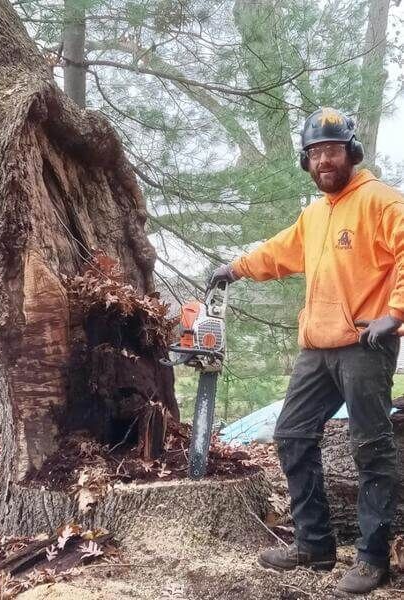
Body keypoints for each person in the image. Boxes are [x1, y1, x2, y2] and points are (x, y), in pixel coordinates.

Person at [208, 107, 404, 595]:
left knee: (371, 447)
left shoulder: (382, 202)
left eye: (333, 151)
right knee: (292, 433)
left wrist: (396, 313)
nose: (325, 161)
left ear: (351, 152)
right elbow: (278, 251)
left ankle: (372, 558)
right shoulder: (314, 215)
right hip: (317, 349)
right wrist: (234, 268)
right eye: (316, 153)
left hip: (366, 343)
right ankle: (315, 545)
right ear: (307, 161)